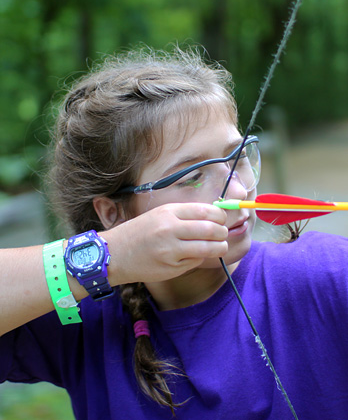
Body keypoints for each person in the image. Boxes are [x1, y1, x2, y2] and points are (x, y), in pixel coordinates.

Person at [1, 46, 348, 420]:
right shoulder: (84, 318)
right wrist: (106, 255)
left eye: (237, 158)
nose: (237, 191)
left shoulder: (324, 274)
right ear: (112, 213)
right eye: (192, 176)